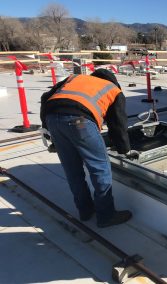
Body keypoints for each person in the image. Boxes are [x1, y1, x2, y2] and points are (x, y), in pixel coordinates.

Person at [40, 69, 133, 228]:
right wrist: (124, 149)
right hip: (79, 122)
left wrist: (51, 133)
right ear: (114, 81)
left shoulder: (74, 78)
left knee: (72, 170)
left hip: (52, 119)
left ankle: (85, 210)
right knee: (100, 168)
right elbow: (118, 124)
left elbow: (45, 98)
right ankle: (106, 215)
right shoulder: (113, 90)